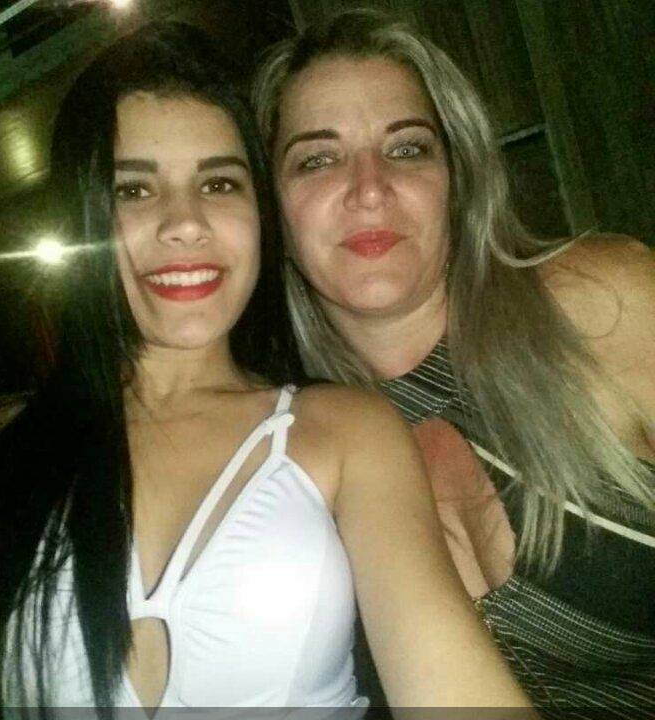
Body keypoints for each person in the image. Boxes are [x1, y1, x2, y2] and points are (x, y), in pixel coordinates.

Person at [0, 20, 533, 717]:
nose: (184, 223)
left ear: (261, 215)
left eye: (218, 183)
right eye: (134, 191)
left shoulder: (346, 431)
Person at [252, 7, 655, 715]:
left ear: (457, 179)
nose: (369, 188)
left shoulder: (600, 302)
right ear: (271, 212)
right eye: (317, 159)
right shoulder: (286, 453)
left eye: (406, 148)